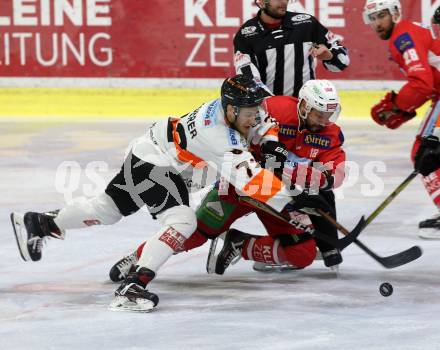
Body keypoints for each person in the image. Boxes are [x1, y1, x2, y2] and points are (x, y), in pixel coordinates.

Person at [10, 75, 334, 312]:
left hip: (148, 149)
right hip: (155, 165)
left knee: (106, 210)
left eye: (256, 109)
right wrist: (293, 200)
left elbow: (263, 123)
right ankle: (133, 287)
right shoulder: (218, 135)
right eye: (250, 111)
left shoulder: (235, 110)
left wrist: (273, 143)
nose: (256, 115)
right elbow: (251, 180)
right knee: (182, 222)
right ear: (232, 111)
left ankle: (40, 222)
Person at [109, 79, 345, 281]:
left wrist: (320, 183)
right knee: (194, 235)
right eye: (318, 113)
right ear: (303, 106)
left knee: (302, 253)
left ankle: (238, 244)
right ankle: (138, 258)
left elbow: (334, 169)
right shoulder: (276, 107)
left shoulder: (330, 134)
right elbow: (247, 141)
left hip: (276, 195)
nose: (324, 120)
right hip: (237, 185)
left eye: (328, 115)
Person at [363, 0, 440, 239]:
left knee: (425, 151)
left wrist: (398, 106)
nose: (377, 23)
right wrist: (403, 108)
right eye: (372, 18)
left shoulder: (403, 36)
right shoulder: (408, 31)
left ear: (395, 13)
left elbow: (421, 82)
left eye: (382, 15)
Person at [234, 0, 350, 97]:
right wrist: (271, 102)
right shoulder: (246, 34)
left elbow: (342, 62)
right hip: (269, 109)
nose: (284, 2)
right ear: (262, 2)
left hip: (307, 108)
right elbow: (248, 78)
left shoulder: (306, 23)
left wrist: (329, 56)